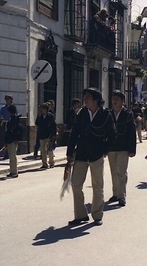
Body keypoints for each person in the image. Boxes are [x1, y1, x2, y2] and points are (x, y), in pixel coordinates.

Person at [67, 87, 115, 226]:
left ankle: (97, 215)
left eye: (88, 97)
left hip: (96, 155)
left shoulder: (106, 115)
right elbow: (74, 133)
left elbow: (112, 135)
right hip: (81, 154)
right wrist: (70, 152)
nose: (85, 100)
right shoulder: (81, 113)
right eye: (84, 97)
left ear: (96, 100)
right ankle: (81, 215)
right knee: (76, 184)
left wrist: (104, 150)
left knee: (97, 185)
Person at [107, 90, 136, 207]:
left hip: (123, 147)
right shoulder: (108, 114)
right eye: (113, 99)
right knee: (113, 171)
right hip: (111, 147)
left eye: (117, 99)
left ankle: (121, 196)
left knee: (121, 172)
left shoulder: (128, 114)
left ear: (122, 101)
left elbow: (132, 132)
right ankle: (115, 193)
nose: (114, 101)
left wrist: (132, 149)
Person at [4, 105, 23, 178]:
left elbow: (20, 130)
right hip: (9, 140)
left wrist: (18, 139)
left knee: (13, 156)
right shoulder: (11, 119)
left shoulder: (15, 119)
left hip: (13, 140)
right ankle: (12, 171)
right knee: (11, 156)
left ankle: (14, 171)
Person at [35, 103, 56, 169]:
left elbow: (53, 126)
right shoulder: (40, 117)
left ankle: (51, 162)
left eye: (43, 109)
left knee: (49, 149)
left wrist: (54, 135)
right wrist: (39, 116)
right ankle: (44, 164)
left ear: (46, 109)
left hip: (49, 135)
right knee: (43, 150)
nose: (42, 110)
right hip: (42, 135)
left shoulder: (51, 116)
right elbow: (37, 123)